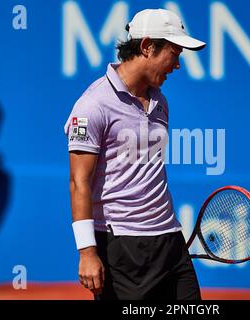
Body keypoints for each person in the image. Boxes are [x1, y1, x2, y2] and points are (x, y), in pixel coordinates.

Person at [65, 9, 206, 300]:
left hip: (169, 237)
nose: (178, 65)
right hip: (123, 245)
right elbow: (79, 181)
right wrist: (87, 251)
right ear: (146, 46)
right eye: (173, 53)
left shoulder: (161, 101)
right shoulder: (92, 106)